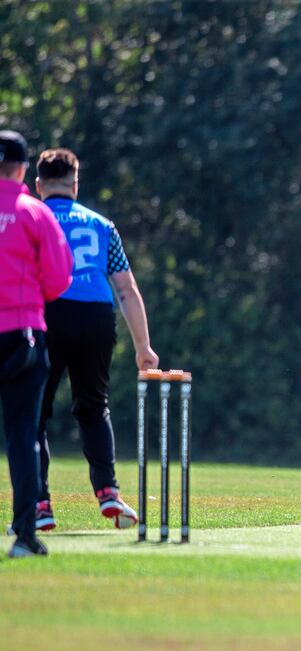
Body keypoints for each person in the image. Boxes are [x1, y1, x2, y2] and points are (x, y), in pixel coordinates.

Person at [33, 148, 158, 532]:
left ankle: (39, 505)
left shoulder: (32, 218)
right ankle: (109, 492)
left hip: (48, 313)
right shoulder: (102, 224)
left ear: (38, 186)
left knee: (33, 412)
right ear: (75, 184)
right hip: (96, 315)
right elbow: (126, 289)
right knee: (93, 405)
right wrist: (143, 346)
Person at [0, 130, 73, 558]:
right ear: (24, 168)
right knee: (24, 433)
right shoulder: (34, 212)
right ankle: (24, 536)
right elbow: (59, 277)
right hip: (22, 334)